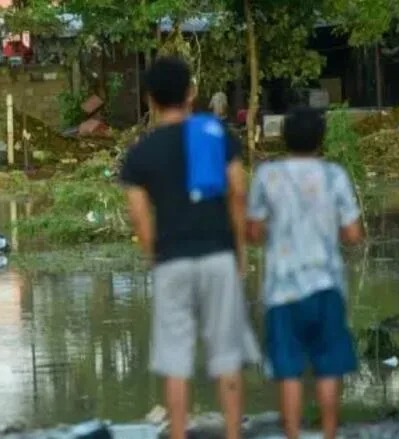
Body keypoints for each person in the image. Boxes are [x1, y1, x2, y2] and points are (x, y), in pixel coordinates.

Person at [120, 56, 260, 439]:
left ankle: (178, 434)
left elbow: (140, 217)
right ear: (191, 93)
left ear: (150, 99)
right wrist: (239, 251)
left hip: (172, 261)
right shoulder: (214, 134)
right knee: (227, 354)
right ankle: (234, 433)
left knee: (175, 359)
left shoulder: (140, 154)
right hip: (217, 256)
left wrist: (155, 257)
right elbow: (238, 193)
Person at [246, 107, 362, 439]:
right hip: (326, 285)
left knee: (289, 370)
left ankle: (293, 435)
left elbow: (252, 232)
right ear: (320, 139)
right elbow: (353, 235)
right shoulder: (335, 176)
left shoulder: (268, 176)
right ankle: (328, 434)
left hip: (282, 289)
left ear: (284, 138)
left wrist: (274, 232)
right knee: (329, 365)